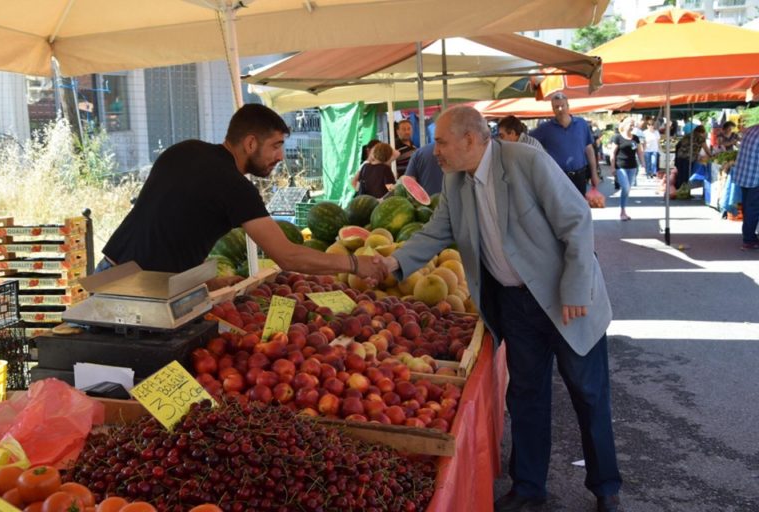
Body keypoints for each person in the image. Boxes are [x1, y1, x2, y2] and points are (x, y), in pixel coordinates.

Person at [380, 106, 621, 512]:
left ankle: (605, 486)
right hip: (515, 304)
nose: (433, 151)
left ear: (470, 139)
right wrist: (391, 263)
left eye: (440, 142)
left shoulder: (526, 161)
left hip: (566, 299)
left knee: (588, 393)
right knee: (526, 395)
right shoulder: (455, 183)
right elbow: (436, 232)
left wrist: (577, 288)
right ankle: (528, 487)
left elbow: (577, 219)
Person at [100, 104, 387, 287]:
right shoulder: (235, 186)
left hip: (107, 275)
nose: (280, 156)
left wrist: (208, 282)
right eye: (275, 146)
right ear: (250, 143)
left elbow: (174, 225)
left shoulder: (184, 150)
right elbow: (287, 256)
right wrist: (354, 264)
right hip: (139, 292)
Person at [530, 92, 600, 194]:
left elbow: (589, 149)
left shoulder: (581, 124)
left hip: (579, 175)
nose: (560, 109)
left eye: (562, 106)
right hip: (557, 177)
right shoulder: (545, 128)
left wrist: (594, 173)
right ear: (553, 109)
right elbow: (527, 142)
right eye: (556, 107)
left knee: (579, 208)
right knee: (560, 209)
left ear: (568, 106)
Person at [610, 118, 646, 221]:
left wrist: (643, 163)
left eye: (633, 125)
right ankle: (622, 211)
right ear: (625, 125)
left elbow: (640, 152)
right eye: (631, 124)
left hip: (632, 167)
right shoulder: (617, 137)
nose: (632, 126)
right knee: (625, 187)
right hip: (620, 166)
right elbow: (612, 153)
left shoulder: (635, 138)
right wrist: (612, 167)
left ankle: (623, 211)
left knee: (627, 189)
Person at [730, 124, 759, 251]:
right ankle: (749, 240)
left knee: (748, 208)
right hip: (755, 178)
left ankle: (748, 237)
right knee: (753, 209)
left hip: (745, 176)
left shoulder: (751, 130)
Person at [674, 124, 711, 191]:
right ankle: (684, 191)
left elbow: (677, 145)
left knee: (680, 174)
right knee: (686, 175)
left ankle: (678, 189)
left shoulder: (687, 136)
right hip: (689, 158)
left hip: (680, 156)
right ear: (702, 132)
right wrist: (711, 156)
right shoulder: (701, 138)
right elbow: (706, 149)